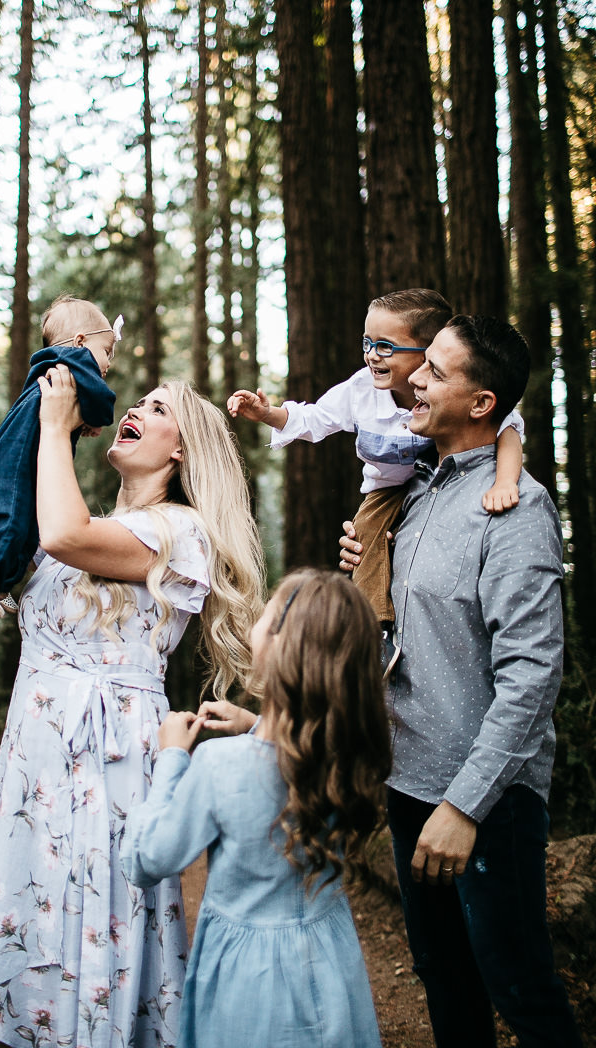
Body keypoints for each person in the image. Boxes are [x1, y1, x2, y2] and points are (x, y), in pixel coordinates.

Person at [0, 371, 267, 1048]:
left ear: (181, 451)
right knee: (26, 908)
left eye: (157, 408)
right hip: (37, 754)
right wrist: (33, 411)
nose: (134, 409)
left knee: (91, 911)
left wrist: (57, 430)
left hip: (107, 759)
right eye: (136, 402)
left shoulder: (181, 533)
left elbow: (61, 535)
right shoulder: (93, 524)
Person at [340, 315, 582, 1048]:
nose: (413, 377)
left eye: (437, 372)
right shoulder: (417, 493)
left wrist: (466, 806)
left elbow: (533, 676)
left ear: (482, 403)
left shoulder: (516, 511)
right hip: (409, 783)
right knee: (445, 980)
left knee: (521, 988)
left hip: (486, 804)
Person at [121, 568, 391, 1048]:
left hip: (249, 980)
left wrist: (171, 758)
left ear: (281, 645)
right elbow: (288, 765)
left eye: (269, 610)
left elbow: (147, 859)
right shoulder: (347, 756)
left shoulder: (219, 765)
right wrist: (255, 725)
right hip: (330, 966)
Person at [228, 289, 523, 622]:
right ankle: (375, 623)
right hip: (385, 489)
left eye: (385, 346)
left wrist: (504, 482)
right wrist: (269, 413)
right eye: (367, 343)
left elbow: (508, 429)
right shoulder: (360, 390)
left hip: (437, 483)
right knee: (363, 541)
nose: (371, 355)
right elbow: (315, 418)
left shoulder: (447, 396)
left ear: (428, 354)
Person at [0, 296, 122, 619]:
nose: (106, 364)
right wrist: (99, 416)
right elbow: (102, 401)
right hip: (15, 468)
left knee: (29, 532)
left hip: (3, 461)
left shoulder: (47, 370)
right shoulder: (73, 362)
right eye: (106, 352)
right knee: (13, 525)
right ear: (79, 343)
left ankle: (2, 583)